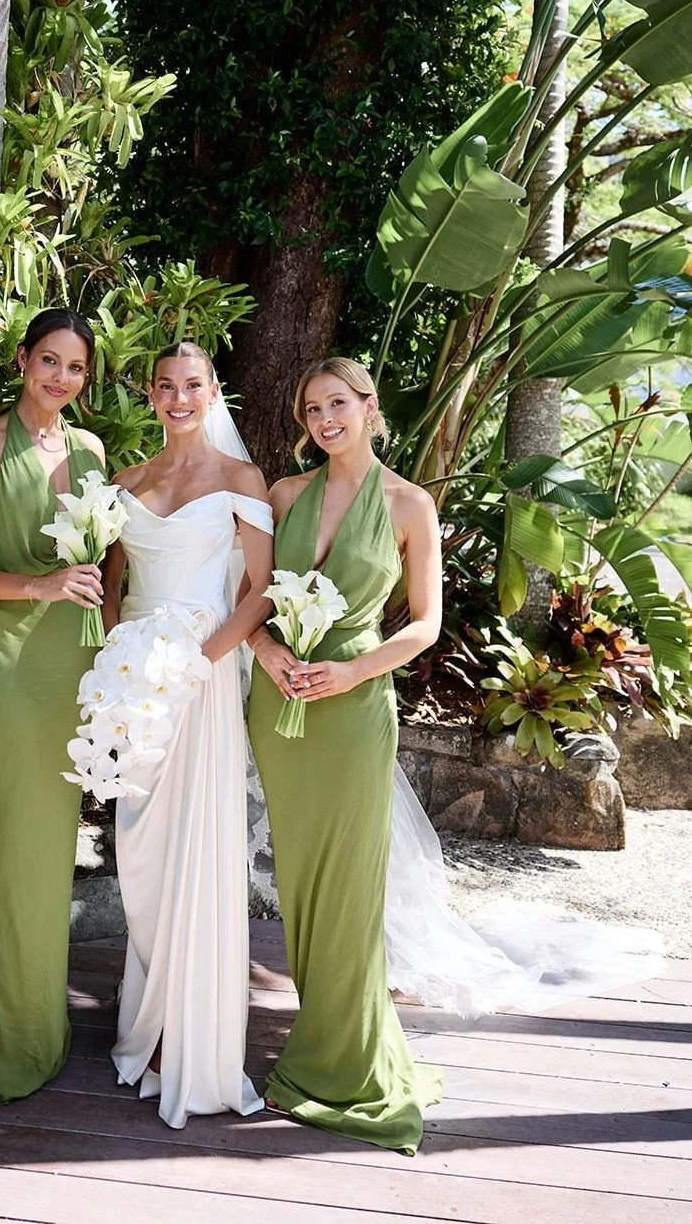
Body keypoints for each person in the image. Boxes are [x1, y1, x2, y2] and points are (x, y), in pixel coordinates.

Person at [246, 356, 444, 1154]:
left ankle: (352, 1054)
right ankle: (318, 1026)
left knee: (352, 878)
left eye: (338, 405)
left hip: (355, 704)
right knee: (299, 872)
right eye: (311, 410)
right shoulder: (283, 496)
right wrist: (265, 655)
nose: (324, 420)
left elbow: (423, 622)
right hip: (281, 700)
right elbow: (248, 601)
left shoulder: (409, 504)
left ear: (369, 408)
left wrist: (351, 670)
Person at [0, 307, 106, 1105]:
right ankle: (2, 1034)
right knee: (16, 839)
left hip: (73, 656)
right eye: (49, 362)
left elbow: (100, 562)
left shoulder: (92, 450)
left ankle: (38, 1019)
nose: (60, 379)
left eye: (74, 368)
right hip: (5, 660)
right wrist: (35, 584)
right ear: (21, 360)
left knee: (56, 845)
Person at [100, 341, 273, 1129]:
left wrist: (195, 663)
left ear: (213, 392)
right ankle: (151, 1014)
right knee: (138, 851)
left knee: (196, 850)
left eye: (192, 386)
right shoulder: (125, 484)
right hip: (134, 687)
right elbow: (110, 588)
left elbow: (259, 595)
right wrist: (120, 663)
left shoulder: (241, 482)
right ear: (149, 391)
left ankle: (190, 1039)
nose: (178, 397)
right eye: (165, 386)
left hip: (200, 684)